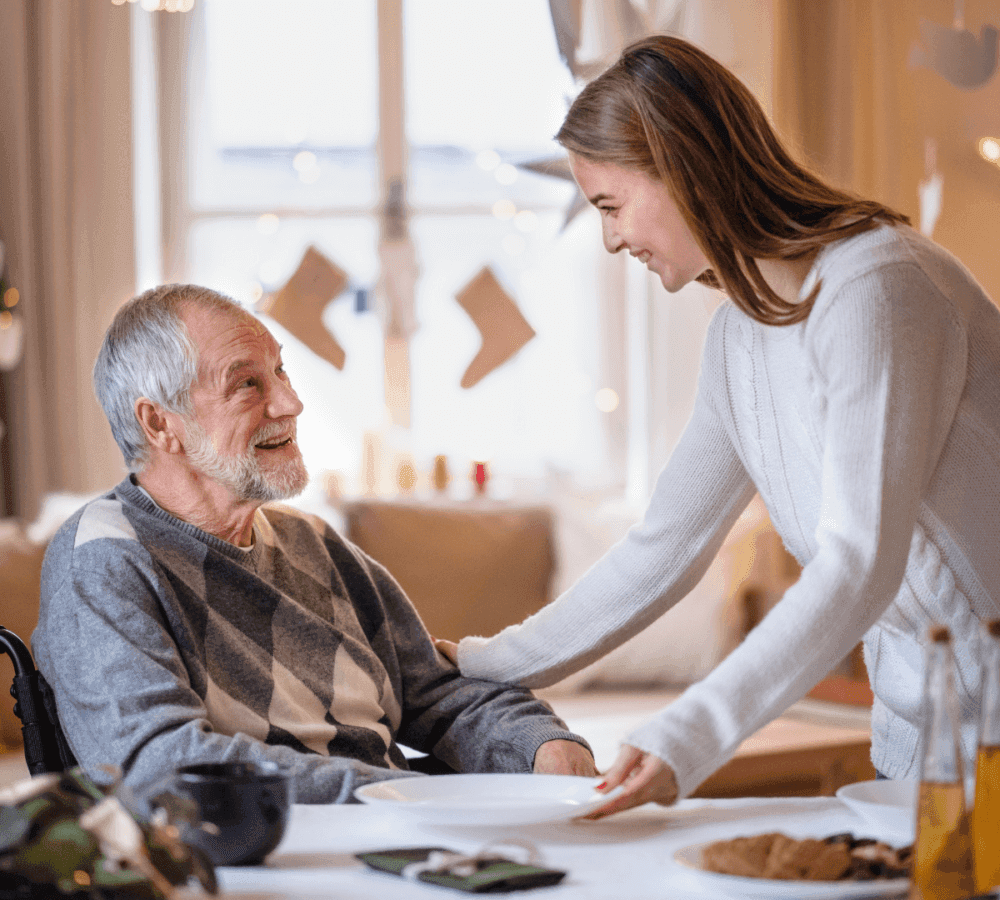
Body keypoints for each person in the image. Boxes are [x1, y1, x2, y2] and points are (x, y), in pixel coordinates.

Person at [437, 34, 1000, 818]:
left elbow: (859, 561)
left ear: (682, 170)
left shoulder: (880, 290)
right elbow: (663, 546)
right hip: (922, 729)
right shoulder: (739, 338)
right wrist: (483, 662)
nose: (609, 237)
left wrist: (687, 733)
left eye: (611, 204)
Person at [32, 284, 596, 803]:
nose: (289, 403)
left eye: (281, 371)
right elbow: (163, 768)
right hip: (264, 860)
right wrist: (400, 796)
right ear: (160, 425)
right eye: (247, 383)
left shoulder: (311, 541)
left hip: (393, 834)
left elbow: (435, 690)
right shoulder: (103, 558)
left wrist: (540, 743)